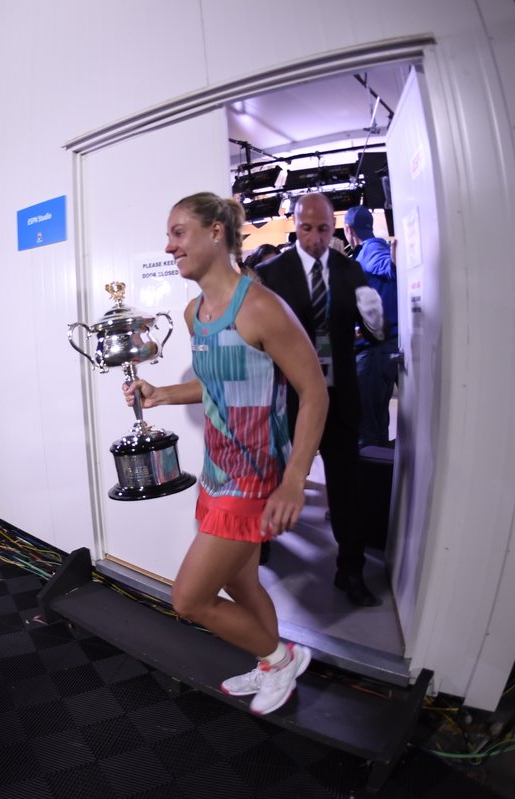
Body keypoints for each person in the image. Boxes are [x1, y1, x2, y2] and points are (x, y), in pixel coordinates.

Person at [122, 192, 328, 716]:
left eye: (178, 232)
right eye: (169, 235)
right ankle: (270, 664)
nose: (169, 246)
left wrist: (293, 479)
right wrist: (162, 394)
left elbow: (314, 392)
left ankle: (280, 658)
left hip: (255, 481)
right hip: (217, 475)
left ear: (217, 233)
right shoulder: (195, 313)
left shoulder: (260, 307)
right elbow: (218, 385)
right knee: (241, 580)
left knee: (189, 600)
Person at [256, 193, 384, 607]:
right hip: (286, 400)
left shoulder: (351, 270)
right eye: (307, 228)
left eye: (324, 229)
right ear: (295, 223)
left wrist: (376, 318)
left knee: (347, 490)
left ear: (335, 227)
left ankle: (351, 570)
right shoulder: (269, 274)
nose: (315, 238)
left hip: (339, 400)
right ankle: (260, 551)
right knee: (271, 480)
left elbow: (376, 331)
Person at [344, 205, 399, 448]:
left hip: (374, 352)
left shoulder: (371, 248)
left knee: (367, 429)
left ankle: (371, 482)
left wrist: (396, 256)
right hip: (381, 349)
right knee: (377, 422)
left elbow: (389, 266)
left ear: (348, 229)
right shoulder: (368, 250)